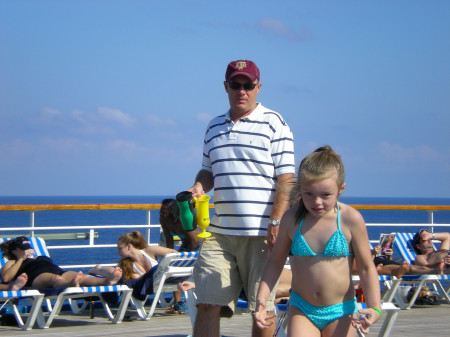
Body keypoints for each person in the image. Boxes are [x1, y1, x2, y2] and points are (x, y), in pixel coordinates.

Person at [185, 59, 295, 337]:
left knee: (262, 310)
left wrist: (276, 221)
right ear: (226, 87)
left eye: (248, 85)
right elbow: (208, 170)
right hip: (219, 235)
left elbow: (287, 179)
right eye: (236, 85)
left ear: (259, 87)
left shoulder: (275, 123)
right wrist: (199, 185)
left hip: (261, 236)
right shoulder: (213, 127)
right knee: (207, 303)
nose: (242, 91)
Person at [254, 146, 381, 336]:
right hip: (302, 308)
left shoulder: (350, 219)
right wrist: (262, 299)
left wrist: (375, 307)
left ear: (341, 189)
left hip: (341, 310)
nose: (317, 202)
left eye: (326, 195)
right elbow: (275, 261)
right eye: (309, 194)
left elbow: (366, 267)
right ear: (300, 190)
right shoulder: (291, 218)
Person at [88, 231, 178, 302]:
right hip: (160, 280)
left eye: (120, 248)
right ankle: (97, 270)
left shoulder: (149, 251)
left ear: (129, 246)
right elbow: (137, 279)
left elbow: (173, 254)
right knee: (115, 271)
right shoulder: (128, 265)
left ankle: (97, 269)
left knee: (115, 271)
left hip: (163, 279)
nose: (118, 252)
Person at [0, 237, 122, 288]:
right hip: (36, 277)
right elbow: (5, 278)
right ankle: (69, 286)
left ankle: (108, 281)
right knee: (54, 279)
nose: (27, 251)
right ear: (15, 251)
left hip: (57, 271)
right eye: (23, 249)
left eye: (28, 248)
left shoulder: (36, 258)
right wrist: (21, 259)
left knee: (81, 277)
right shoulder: (11, 262)